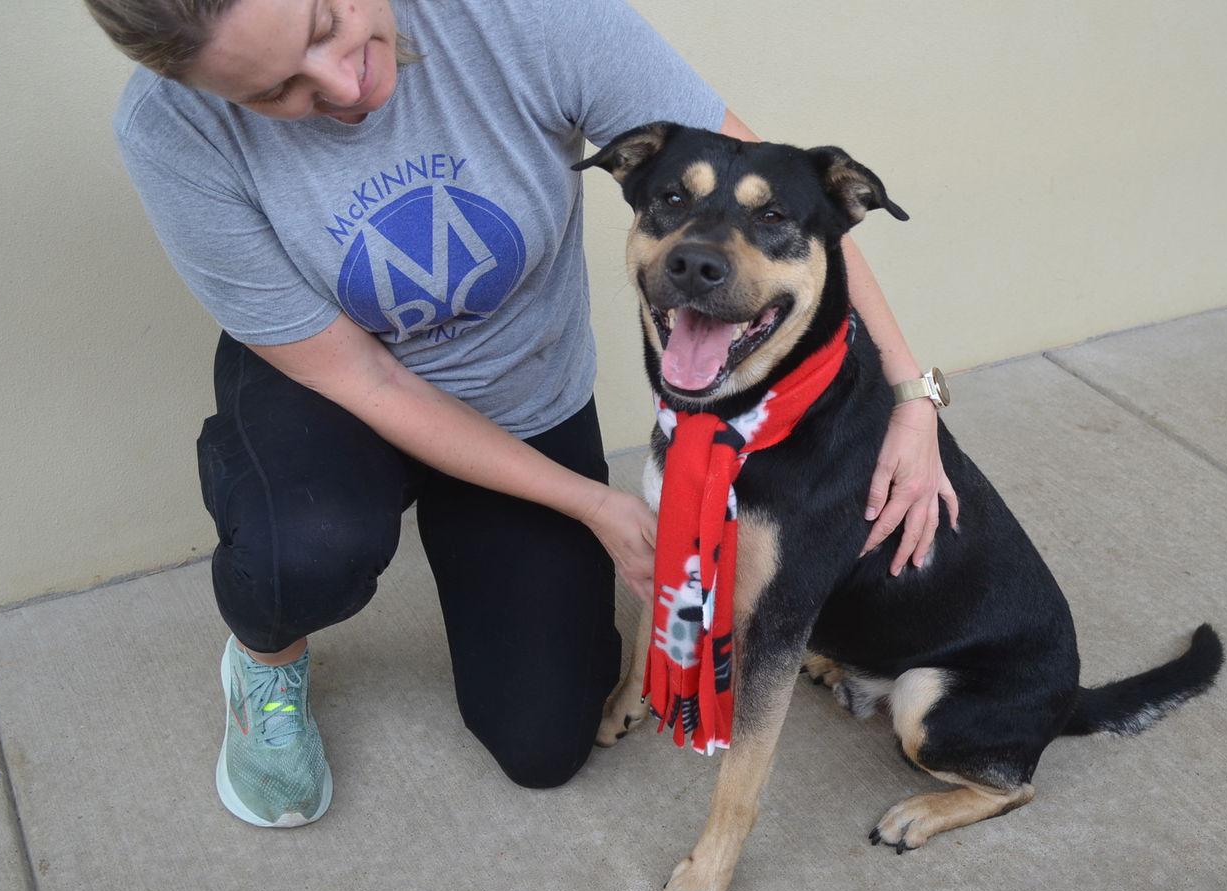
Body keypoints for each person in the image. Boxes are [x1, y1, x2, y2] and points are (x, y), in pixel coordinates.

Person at [86, 0, 958, 827]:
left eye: (328, 23)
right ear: (202, 90)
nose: (343, 88)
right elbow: (369, 384)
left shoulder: (521, 15)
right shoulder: (172, 132)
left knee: (545, 741)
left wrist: (910, 395)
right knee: (304, 549)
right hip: (340, 391)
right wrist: (597, 504)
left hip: (520, 391)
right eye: (275, 92)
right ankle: (263, 665)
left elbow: (778, 193)